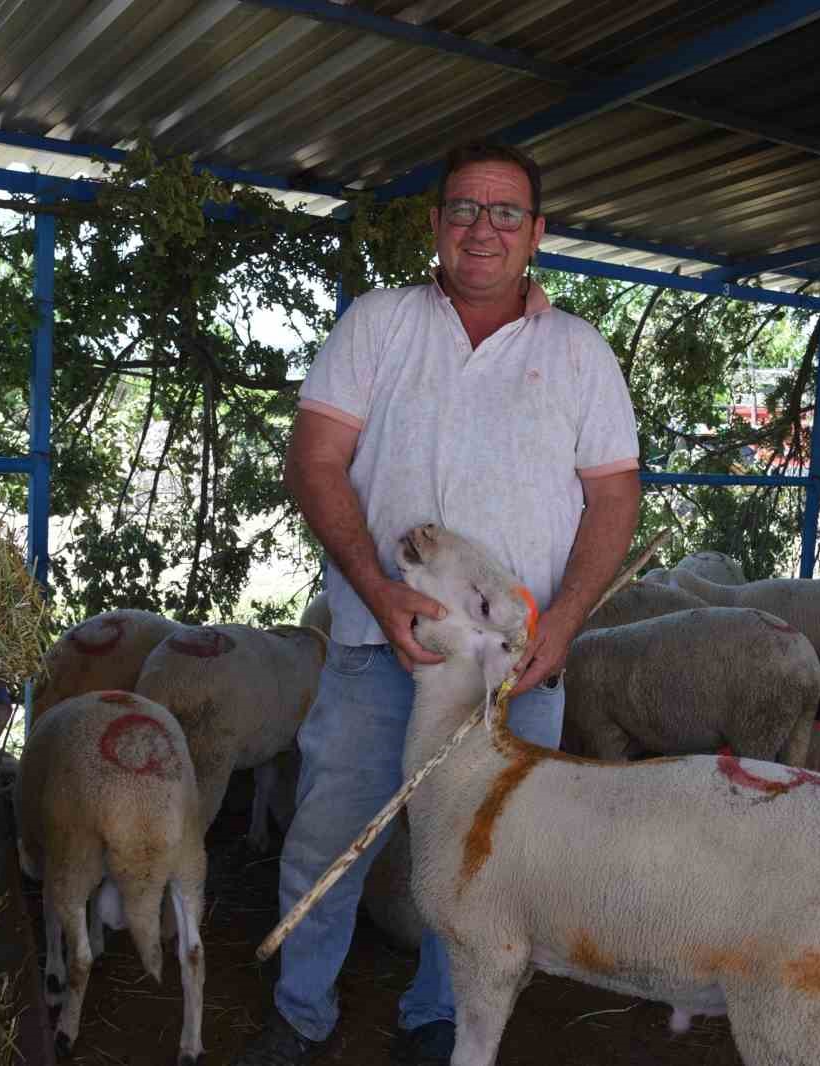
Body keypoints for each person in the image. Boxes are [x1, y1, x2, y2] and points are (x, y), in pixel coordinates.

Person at [230, 142, 641, 1066]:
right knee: (330, 836)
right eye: (463, 209)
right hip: (387, 650)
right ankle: (299, 1015)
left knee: (482, 860)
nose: (482, 229)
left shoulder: (578, 352)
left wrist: (565, 627)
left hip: (515, 665)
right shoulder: (378, 325)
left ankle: (437, 1022)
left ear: (537, 234)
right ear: (435, 224)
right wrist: (377, 591)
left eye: (505, 214)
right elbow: (316, 460)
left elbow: (614, 500)